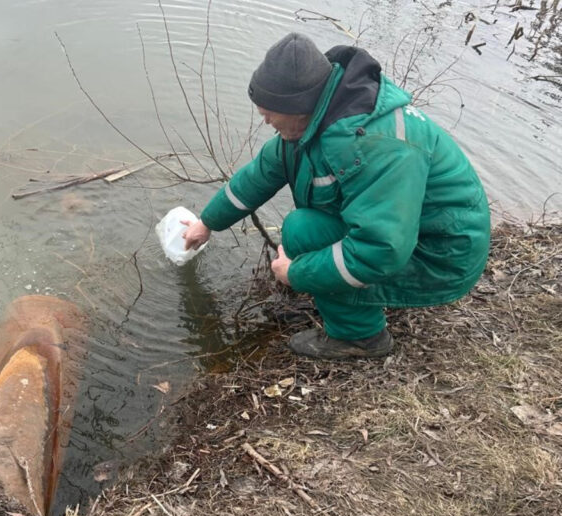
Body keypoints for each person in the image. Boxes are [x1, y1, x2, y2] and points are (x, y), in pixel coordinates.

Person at [182, 32, 491, 359]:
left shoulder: (370, 144)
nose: (265, 119)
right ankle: (355, 306)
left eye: (270, 112)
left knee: (303, 233)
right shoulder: (316, 122)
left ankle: (360, 339)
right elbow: (257, 177)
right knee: (302, 230)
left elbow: (380, 250)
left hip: (441, 255)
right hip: (408, 236)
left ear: (299, 106)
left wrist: (296, 273)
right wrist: (207, 223)